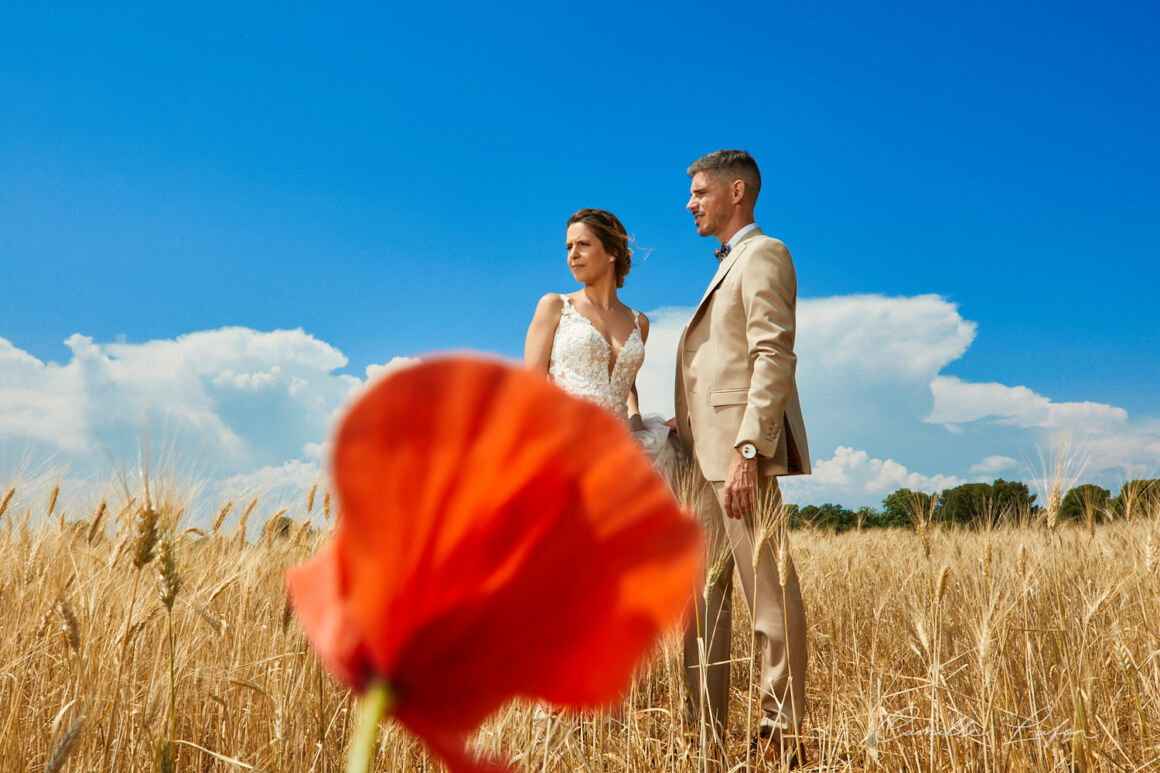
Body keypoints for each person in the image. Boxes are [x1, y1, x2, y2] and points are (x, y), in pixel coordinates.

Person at [673, 150, 811, 764]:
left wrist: (749, 451)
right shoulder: (727, 264)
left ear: (736, 192)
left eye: (700, 191)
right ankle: (703, 735)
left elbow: (772, 356)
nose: (690, 202)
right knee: (703, 601)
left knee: (769, 596)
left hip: (738, 461)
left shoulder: (765, 254)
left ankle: (782, 737)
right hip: (701, 459)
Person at [525, 208, 675, 472]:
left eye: (583, 244)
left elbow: (626, 381)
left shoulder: (639, 322)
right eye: (569, 246)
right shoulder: (554, 306)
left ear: (612, 252)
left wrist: (636, 418)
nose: (573, 254)